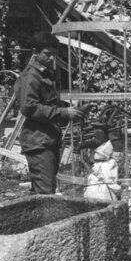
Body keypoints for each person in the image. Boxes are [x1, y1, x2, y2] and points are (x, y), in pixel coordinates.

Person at [14, 32, 85, 195]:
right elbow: (29, 108)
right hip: (37, 140)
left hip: (48, 138)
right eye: (47, 54)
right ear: (35, 52)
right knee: (46, 192)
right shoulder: (31, 77)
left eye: (54, 54)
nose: (52, 58)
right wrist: (64, 112)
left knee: (44, 189)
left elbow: (48, 104)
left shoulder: (45, 74)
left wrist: (72, 110)